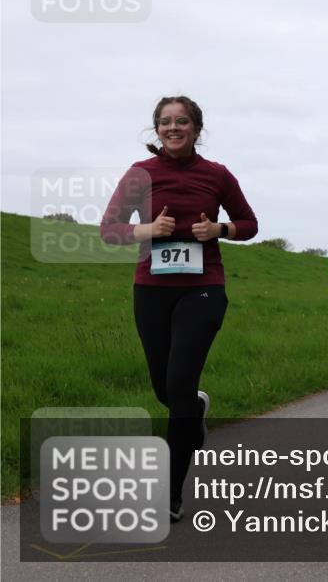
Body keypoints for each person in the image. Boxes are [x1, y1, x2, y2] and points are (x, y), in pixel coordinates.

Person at [101, 96, 258, 521]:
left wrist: (218, 229)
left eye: (182, 121)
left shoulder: (217, 175)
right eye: (166, 122)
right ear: (157, 130)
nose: (174, 128)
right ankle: (194, 408)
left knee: (180, 381)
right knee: (166, 390)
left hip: (203, 288)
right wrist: (147, 229)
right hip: (151, 289)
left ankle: (170, 494)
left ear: (196, 128)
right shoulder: (141, 174)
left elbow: (249, 223)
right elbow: (108, 229)